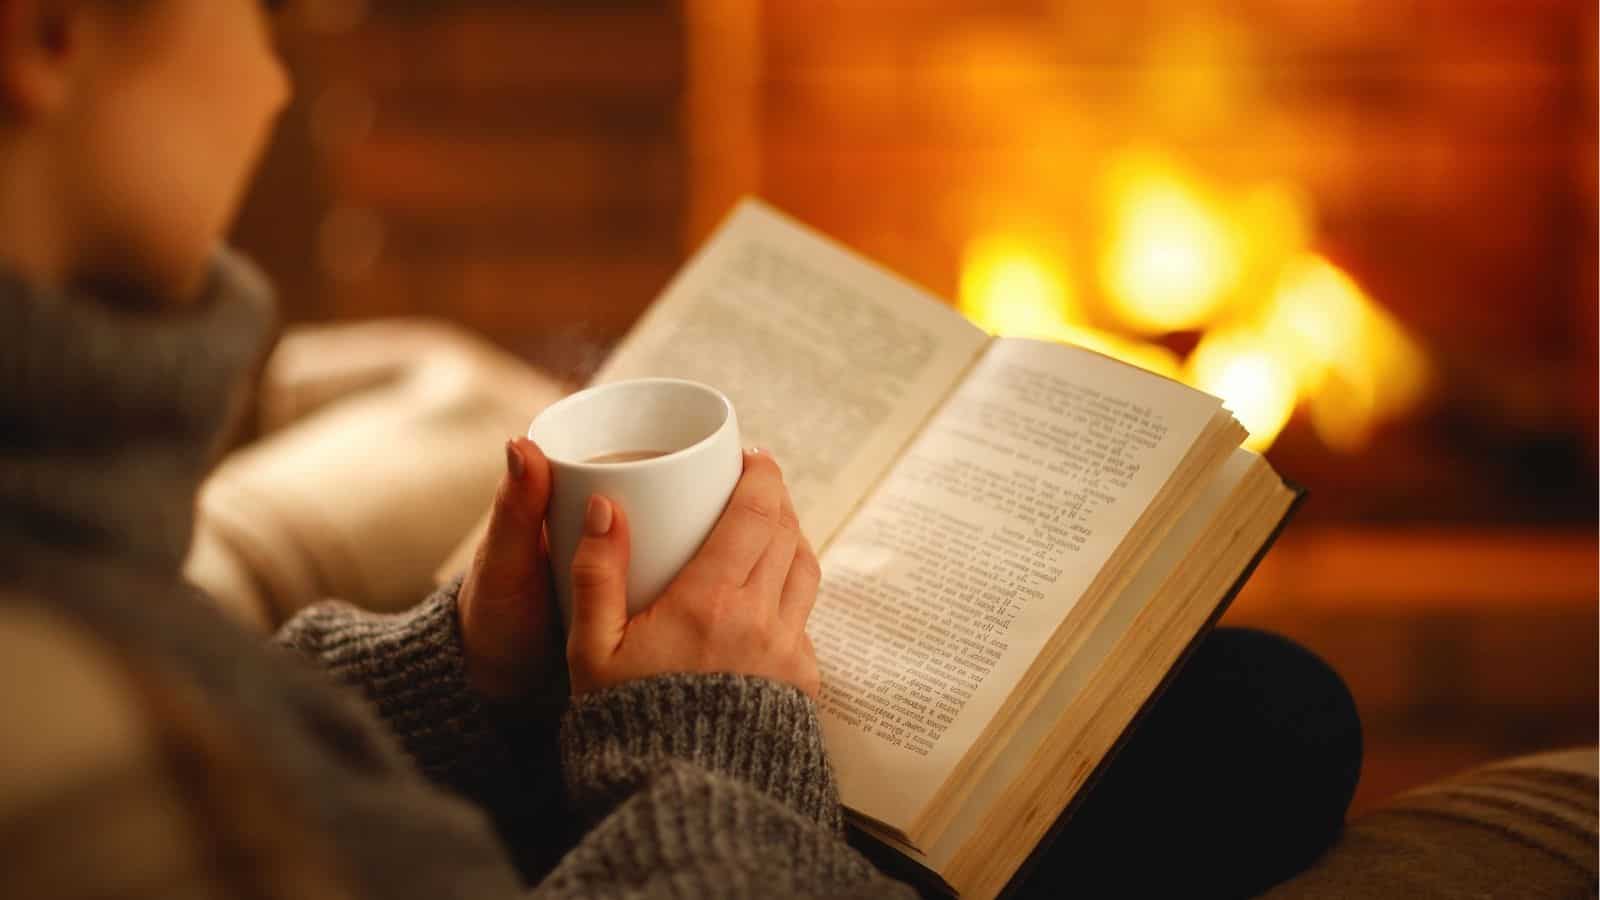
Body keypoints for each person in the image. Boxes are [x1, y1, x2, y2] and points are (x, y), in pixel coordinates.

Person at [0, 1, 1360, 897]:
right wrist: (707, 738)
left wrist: (466, 676)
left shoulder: (55, 526)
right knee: (1260, 733)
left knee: (1257, 709)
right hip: (710, 820)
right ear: (47, 38)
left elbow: (240, 722)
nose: (274, 69)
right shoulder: (88, 748)